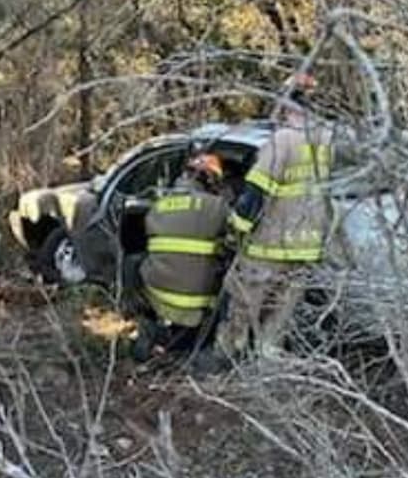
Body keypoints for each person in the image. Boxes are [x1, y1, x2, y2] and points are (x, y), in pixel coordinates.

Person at [216, 72, 335, 361]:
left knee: (243, 308)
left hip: (269, 247)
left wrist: (234, 230)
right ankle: (269, 366)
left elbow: (255, 194)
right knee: (279, 318)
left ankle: (226, 359)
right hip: (306, 247)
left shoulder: (282, 141)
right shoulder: (327, 139)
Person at [124, 152, 231, 363]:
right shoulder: (218, 207)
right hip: (200, 305)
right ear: (211, 181)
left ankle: (146, 322)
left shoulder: (158, 206)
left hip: (158, 296)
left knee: (132, 262)